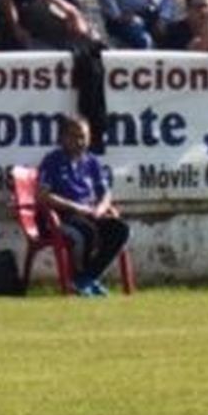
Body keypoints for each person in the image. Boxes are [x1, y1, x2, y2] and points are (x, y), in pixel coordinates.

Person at [36, 115, 129, 297]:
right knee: (85, 233)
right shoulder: (52, 161)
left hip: (88, 214)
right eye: (73, 136)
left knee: (120, 229)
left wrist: (101, 208)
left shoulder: (92, 161)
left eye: (83, 137)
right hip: (61, 217)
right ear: (62, 138)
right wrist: (77, 208)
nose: (79, 142)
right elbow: (42, 196)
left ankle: (86, 278)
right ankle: (80, 280)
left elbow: (105, 193)